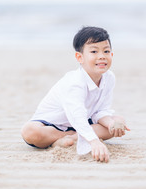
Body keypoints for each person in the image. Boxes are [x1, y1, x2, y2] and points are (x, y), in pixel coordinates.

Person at [21, 26, 130, 163]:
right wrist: (94, 141)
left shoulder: (109, 77)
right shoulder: (74, 82)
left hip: (84, 122)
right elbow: (76, 114)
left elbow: (101, 111)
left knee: (119, 121)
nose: (101, 56)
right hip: (53, 125)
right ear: (80, 57)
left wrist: (111, 124)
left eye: (106, 51)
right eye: (94, 51)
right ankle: (67, 136)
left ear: (111, 55)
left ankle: (72, 138)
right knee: (30, 131)